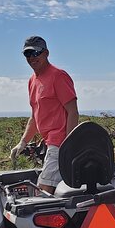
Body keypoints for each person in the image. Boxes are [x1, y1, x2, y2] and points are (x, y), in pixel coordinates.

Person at [10, 36, 79, 194]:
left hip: (59, 142)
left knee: (43, 191)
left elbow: (73, 111)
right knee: (54, 193)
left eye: (36, 53)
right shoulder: (32, 81)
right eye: (27, 54)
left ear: (46, 53)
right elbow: (35, 116)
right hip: (48, 143)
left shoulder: (58, 76)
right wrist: (22, 142)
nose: (32, 57)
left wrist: (69, 144)